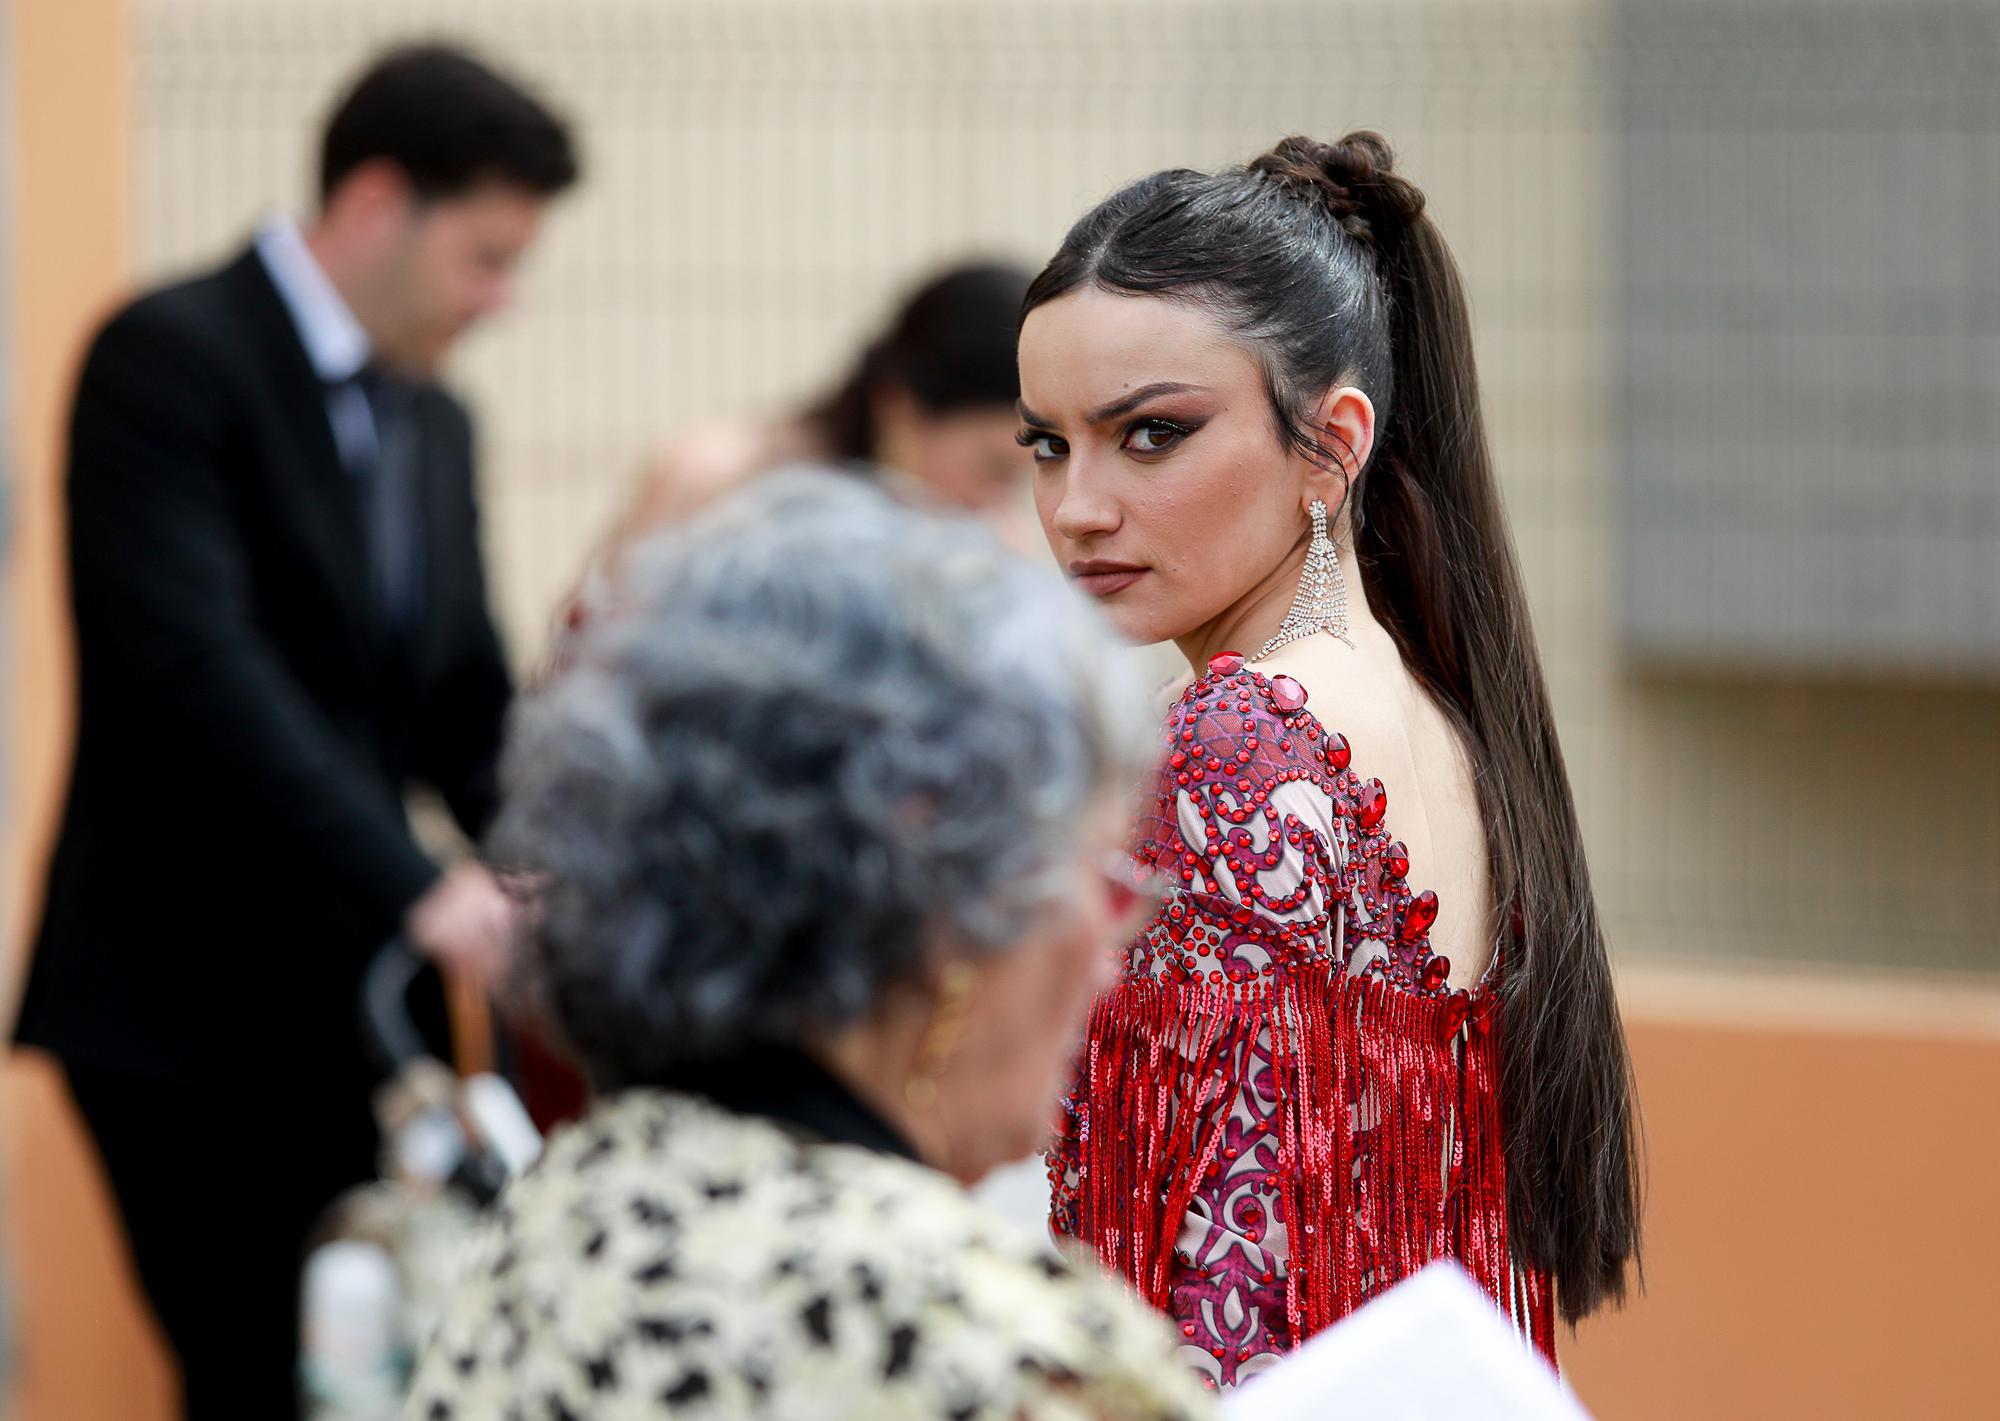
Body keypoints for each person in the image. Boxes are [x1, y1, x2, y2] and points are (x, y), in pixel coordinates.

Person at [1018, 133, 1642, 1386]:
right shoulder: (1448, 718)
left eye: (1150, 435)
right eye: (1046, 442)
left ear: (1331, 441)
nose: (1078, 504)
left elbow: (1215, 1294)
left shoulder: (1230, 745)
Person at [11, 44, 578, 1418]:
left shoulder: (435, 418)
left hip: (345, 999)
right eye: (486, 258)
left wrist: (566, 862)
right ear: (379, 203)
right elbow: (198, 673)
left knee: (385, 1360)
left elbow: (460, 698)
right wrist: (422, 887)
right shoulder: (171, 354)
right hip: (172, 996)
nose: (501, 301)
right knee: (253, 1370)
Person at [408, 471, 1213, 1421]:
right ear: (947, 903)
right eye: (1103, 878)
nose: (1108, 951)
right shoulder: (1004, 1353)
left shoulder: (537, 1232)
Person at [614, 262, 1032, 534]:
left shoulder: (984, 537)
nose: (996, 505)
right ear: (900, 407)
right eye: (993, 469)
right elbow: (599, 648)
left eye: (1018, 479)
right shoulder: (719, 480)